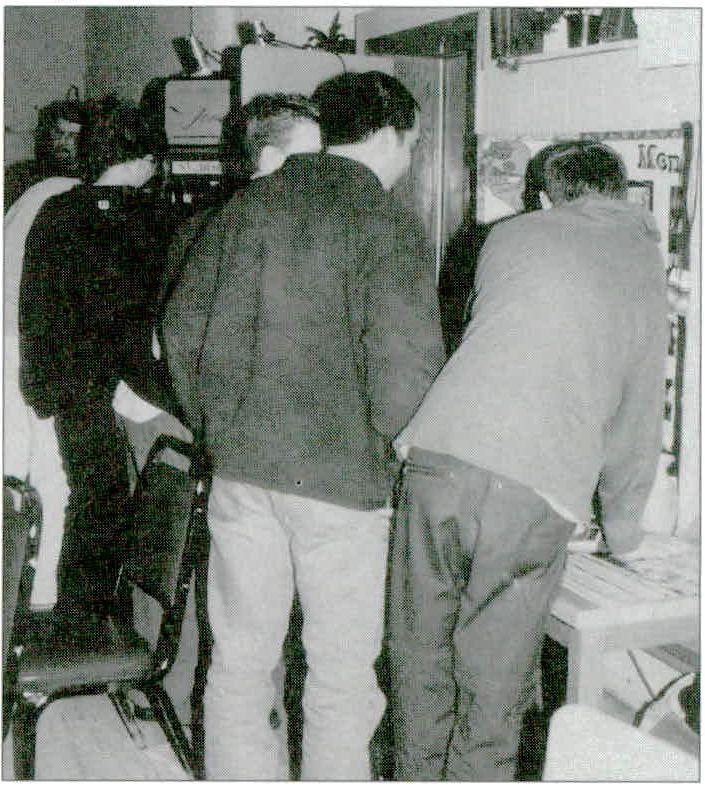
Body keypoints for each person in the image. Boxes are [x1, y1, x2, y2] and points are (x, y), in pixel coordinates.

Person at [161, 71, 444, 780]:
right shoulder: (384, 220)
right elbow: (407, 370)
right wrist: (400, 451)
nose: (409, 159)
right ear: (391, 135)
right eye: (412, 143)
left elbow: (182, 327)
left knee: (238, 662)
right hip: (341, 485)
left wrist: (219, 426)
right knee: (341, 676)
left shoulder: (249, 205)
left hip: (242, 472)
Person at [388, 141, 667, 780]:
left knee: (419, 656)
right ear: (622, 192)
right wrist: (624, 529)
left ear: (544, 197)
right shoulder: (640, 257)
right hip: (531, 486)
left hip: (435, 457)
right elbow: (639, 409)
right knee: (493, 679)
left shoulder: (508, 237)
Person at [19, 96, 174, 622]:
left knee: (92, 497)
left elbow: (37, 303)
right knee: (124, 505)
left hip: (66, 385)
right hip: (121, 385)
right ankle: (103, 621)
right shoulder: (146, 218)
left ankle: (80, 618)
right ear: (142, 158)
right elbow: (140, 319)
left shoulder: (57, 211)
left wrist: (43, 384)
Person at [4, 101, 88, 606]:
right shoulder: (64, 197)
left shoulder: (32, 193)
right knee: (49, 475)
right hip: (24, 347)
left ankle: (18, 598)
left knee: (19, 475)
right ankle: (37, 598)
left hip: (12, 343)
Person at [5, 95, 86, 210]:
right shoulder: (24, 174)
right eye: (58, 133)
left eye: (72, 136)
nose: (62, 142)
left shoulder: (90, 178)